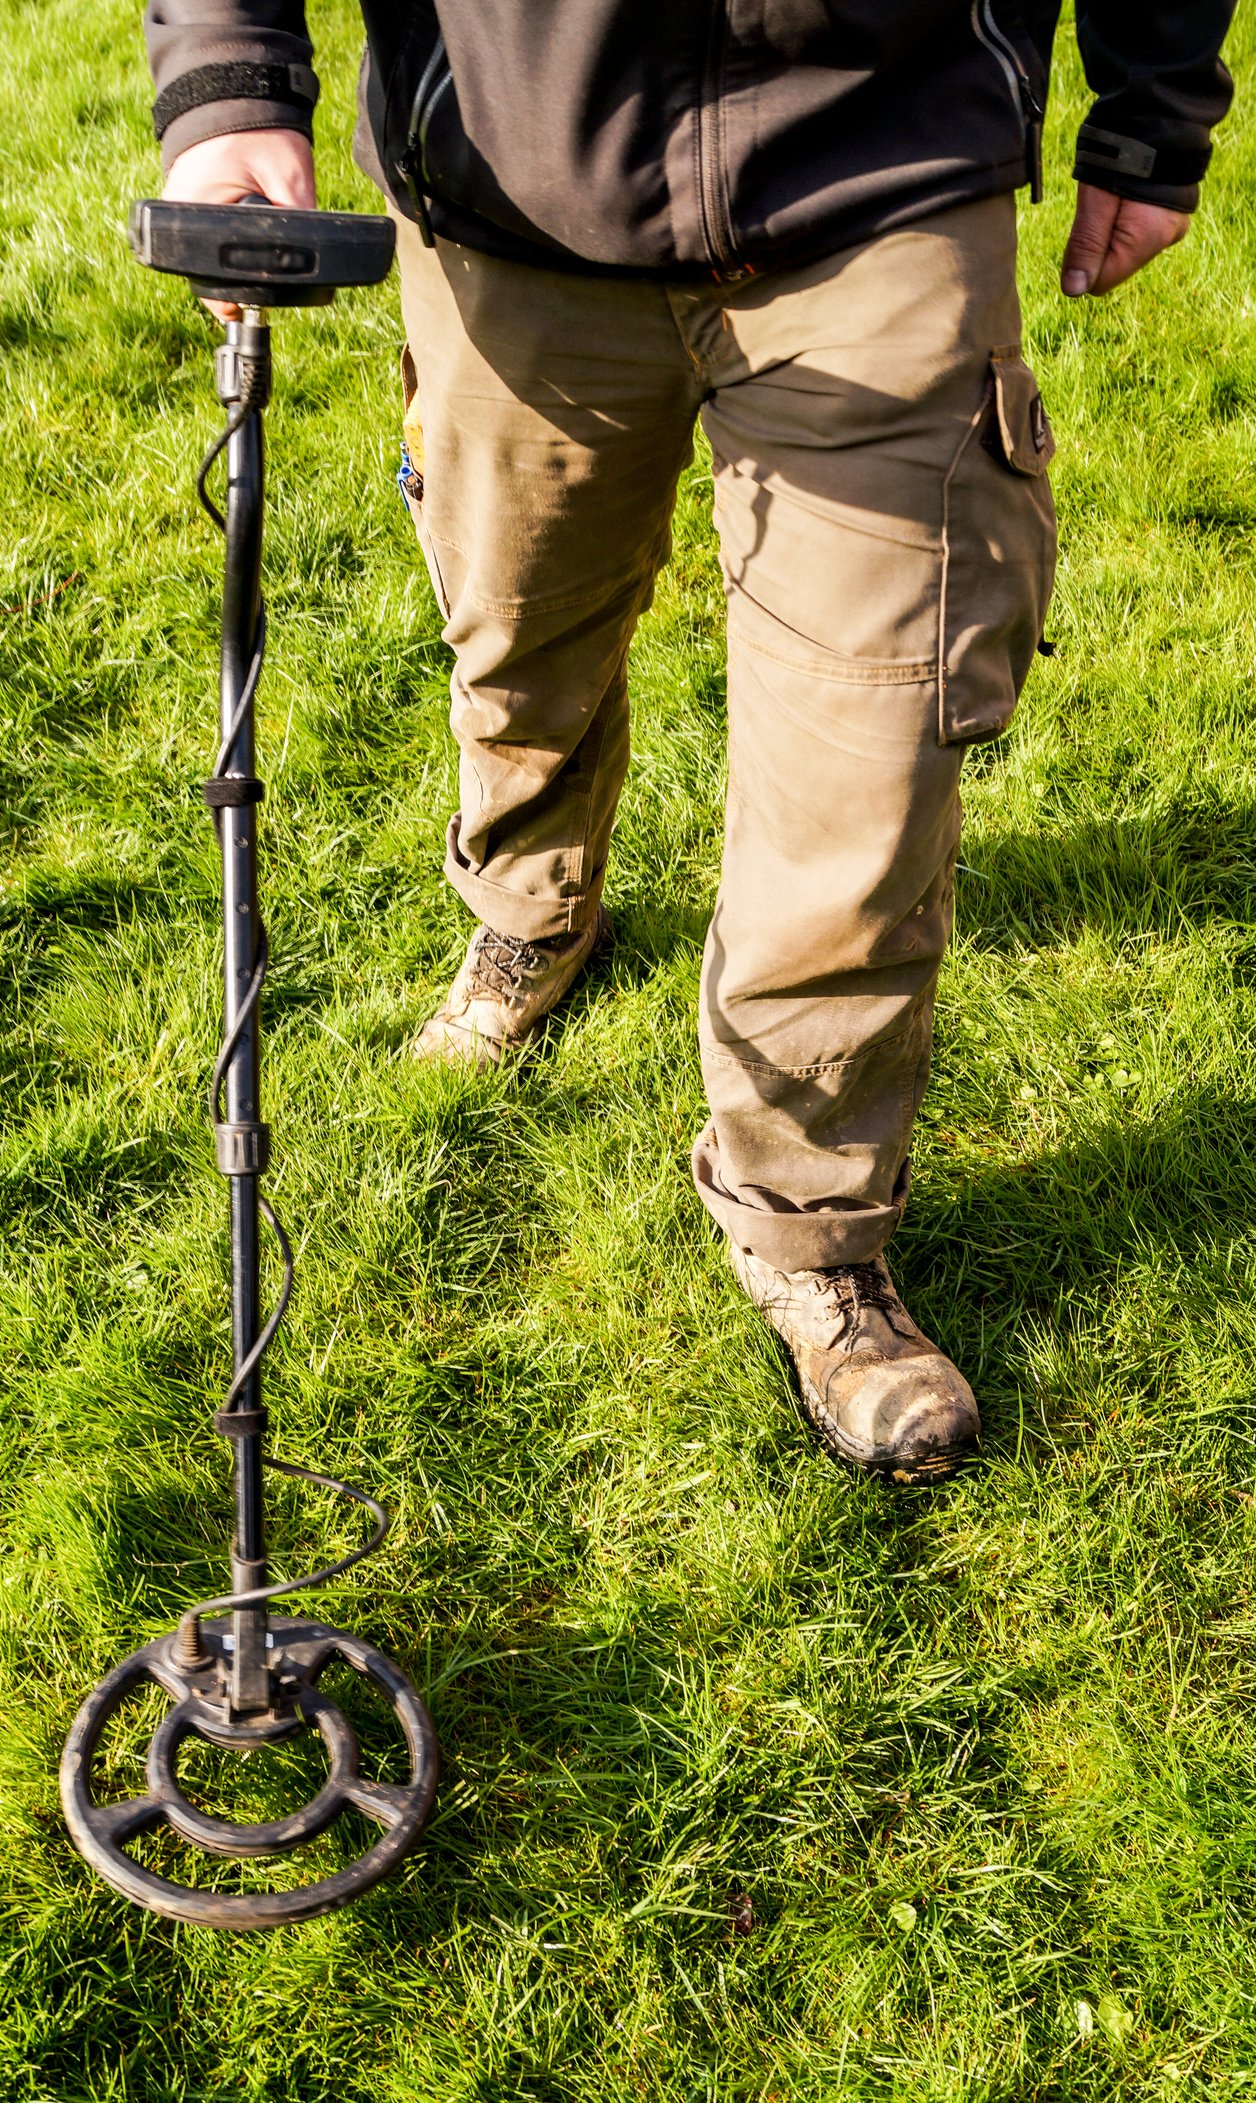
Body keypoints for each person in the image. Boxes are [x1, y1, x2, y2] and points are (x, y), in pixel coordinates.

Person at [144, 2, 1233, 1483]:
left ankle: (810, 1234)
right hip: (509, 188)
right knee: (521, 647)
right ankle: (531, 910)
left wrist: (1155, 110)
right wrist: (226, 86)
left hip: (880, 175)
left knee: (872, 750)